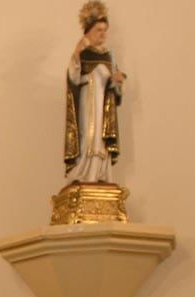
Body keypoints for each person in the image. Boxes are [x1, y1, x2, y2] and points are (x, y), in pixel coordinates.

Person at [64, 1, 127, 183]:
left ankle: (100, 172)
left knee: (101, 139)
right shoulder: (83, 54)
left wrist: (117, 81)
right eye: (99, 30)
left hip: (104, 106)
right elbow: (73, 78)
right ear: (89, 31)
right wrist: (77, 52)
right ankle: (85, 170)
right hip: (88, 102)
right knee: (88, 136)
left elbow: (115, 89)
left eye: (105, 30)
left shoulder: (109, 56)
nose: (103, 34)